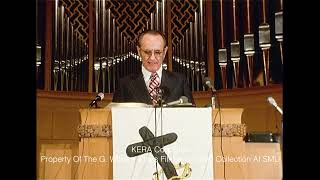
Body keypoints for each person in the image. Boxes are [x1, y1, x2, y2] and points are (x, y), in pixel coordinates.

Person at [112, 30, 194, 106]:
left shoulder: (179, 81)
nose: (152, 58)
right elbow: (116, 117)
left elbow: (192, 115)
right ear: (139, 51)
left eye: (157, 52)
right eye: (147, 52)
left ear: (165, 52)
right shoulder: (124, 84)